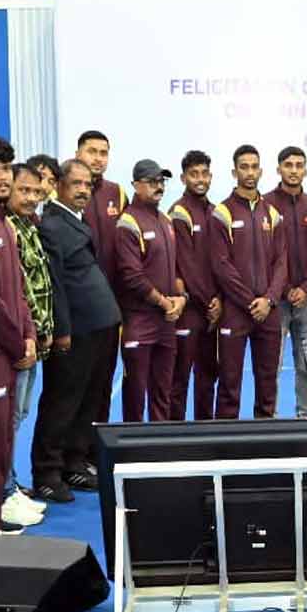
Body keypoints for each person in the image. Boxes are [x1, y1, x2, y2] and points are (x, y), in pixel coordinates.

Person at [34, 159, 120, 503]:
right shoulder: (53, 225)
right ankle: (47, 472)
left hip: (98, 327)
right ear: (59, 186)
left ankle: (73, 462)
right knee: (62, 401)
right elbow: (54, 284)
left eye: (88, 185)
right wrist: (62, 331)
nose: (84, 190)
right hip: (75, 332)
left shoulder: (76, 221)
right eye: (77, 184)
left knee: (88, 401)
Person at [0, 135, 36, 535]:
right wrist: (18, 345)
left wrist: (29, 334)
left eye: (6, 169)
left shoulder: (4, 222)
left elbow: (17, 292)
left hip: (10, 351)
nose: (3, 177)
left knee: (1, 446)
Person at [209, 145, 288, 419]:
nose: (250, 172)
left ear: (261, 171)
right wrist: (249, 301)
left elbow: (281, 263)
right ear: (234, 171)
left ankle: (264, 439)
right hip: (235, 311)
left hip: (269, 311)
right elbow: (221, 265)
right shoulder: (221, 213)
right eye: (244, 167)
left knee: (267, 381)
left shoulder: (273, 214)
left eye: (254, 166)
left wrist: (269, 300)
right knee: (230, 382)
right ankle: (225, 445)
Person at [1, 164, 51, 527]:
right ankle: (1, 492)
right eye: (24, 191)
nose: (32, 198)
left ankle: (10, 484)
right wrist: (26, 335)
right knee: (4, 422)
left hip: (31, 337)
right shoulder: (4, 230)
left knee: (17, 419)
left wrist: (38, 332)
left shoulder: (28, 227)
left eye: (36, 192)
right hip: (13, 341)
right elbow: (16, 293)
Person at [115, 160, 182, 422]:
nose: (159, 187)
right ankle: (131, 454)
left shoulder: (165, 220)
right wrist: (164, 303)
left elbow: (173, 269)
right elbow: (132, 276)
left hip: (166, 320)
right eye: (152, 181)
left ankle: (158, 452)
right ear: (136, 185)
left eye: (161, 181)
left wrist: (180, 299)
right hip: (139, 318)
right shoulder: (128, 222)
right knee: (135, 392)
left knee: (162, 390)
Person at [74, 130, 123, 448]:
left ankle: (94, 454)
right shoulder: (65, 191)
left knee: (102, 384)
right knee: (75, 387)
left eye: (103, 152)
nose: (98, 158)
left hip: (110, 308)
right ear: (78, 153)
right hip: (77, 310)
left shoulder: (117, 193)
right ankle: (68, 458)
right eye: (92, 151)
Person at [264, 147, 307, 417]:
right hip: (276, 302)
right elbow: (264, 256)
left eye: (299, 165)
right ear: (279, 169)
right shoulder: (265, 205)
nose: (294, 170)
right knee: (270, 364)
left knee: (306, 363)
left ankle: (303, 417)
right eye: (288, 165)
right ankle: (270, 421)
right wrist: (284, 290)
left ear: (305, 170)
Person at [169, 150, 220, 421]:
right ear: (183, 177)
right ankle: (175, 438)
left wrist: (218, 301)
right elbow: (186, 264)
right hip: (190, 307)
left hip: (213, 308)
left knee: (208, 375)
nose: (200, 179)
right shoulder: (178, 213)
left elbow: (221, 262)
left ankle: (206, 431)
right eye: (193, 174)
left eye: (204, 174)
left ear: (210, 177)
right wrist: (207, 301)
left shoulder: (215, 211)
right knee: (179, 377)